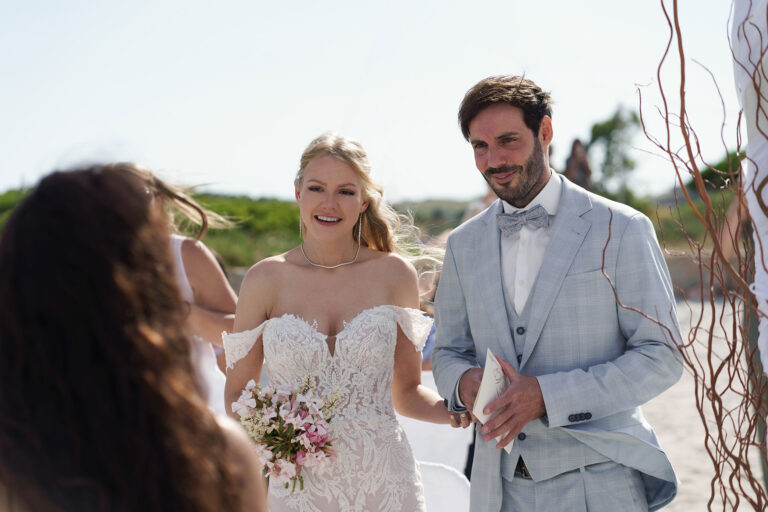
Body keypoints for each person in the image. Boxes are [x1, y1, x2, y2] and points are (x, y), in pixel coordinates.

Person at [431, 75, 683, 511]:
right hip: (496, 490)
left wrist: (549, 396)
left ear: (544, 132)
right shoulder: (462, 244)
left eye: (508, 140)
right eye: (480, 146)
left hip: (600, 484)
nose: (494, 160)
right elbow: (450, 350)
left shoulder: (621, 229)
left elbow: (662, 357)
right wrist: (462, 382)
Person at [223, 132, 470, 511]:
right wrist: (278, 440)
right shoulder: (265, 278)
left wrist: (455, 411)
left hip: (385, 482)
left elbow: (405, 393)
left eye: (345, 191)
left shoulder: (394, 274)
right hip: (297, 487)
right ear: (297, 192)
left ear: (364, 201)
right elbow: (238, 394)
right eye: (317, 188)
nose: (329, 203)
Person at [0, 165, 266, 512]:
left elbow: (239, 334)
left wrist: (182, 313)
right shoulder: (226, 455)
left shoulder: (18, 452)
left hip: (188, 403)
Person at [124, 164, 236, 414]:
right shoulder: (88, 264)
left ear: (159, 201)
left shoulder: (187, 255)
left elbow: (242, 336)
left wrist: (179, 311)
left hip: (194, 414)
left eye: (139, 196)